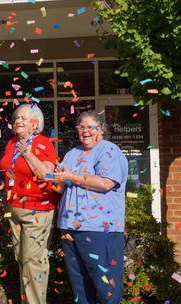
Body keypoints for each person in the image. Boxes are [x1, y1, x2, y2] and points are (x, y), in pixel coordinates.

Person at [53, 111, 128, 304]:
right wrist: (57, 176)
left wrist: (71, 177)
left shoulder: (108, 150)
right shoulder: (72, 153)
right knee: (79, 285)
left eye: (90, 127)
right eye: (81, 127)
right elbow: (61, 188)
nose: (85, 131)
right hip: (70, 227)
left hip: (99, 229)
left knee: (105, 287)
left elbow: (106, 183)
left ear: (101, 129)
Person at [0, 104, 59, 304]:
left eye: (23, 118)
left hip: (37, 210)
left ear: (35, 124)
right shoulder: (11, 143)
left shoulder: (44, 143)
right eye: (16, 118)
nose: (18, 121)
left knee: (33, 261)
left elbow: (46, 175)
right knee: (22, 259)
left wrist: (27, 153)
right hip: (14, 210)